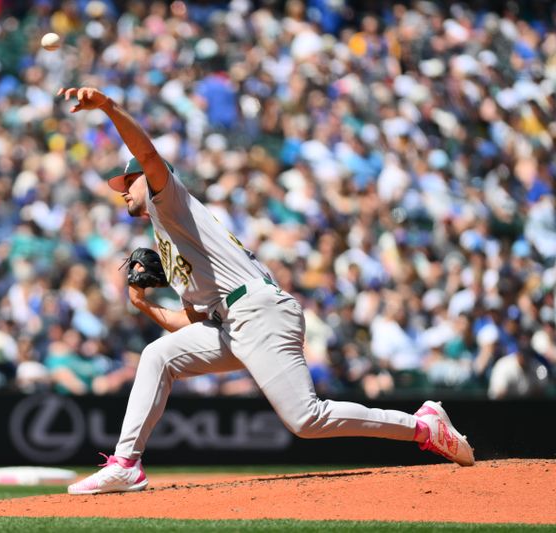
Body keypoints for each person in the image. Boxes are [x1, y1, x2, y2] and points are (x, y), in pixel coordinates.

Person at [61, 86, 475, 495]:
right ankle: (126, 464)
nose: (122, 190)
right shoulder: (172, 247)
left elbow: (148, 155)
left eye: (128, 181)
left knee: (306, 420)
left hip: (258, 311)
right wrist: (143, 304)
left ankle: (423, 426)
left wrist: (108, 107)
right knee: (157, 356)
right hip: (232, 321)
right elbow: (188, 322)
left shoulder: (168, 202)